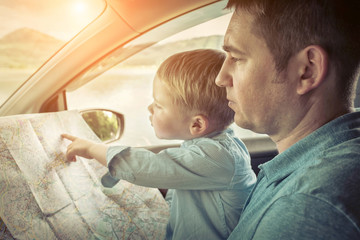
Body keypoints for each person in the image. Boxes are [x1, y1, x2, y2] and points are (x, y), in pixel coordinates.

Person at [62, 49, 257, 240]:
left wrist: (91, 148)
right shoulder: (206, 148)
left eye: (159, 105)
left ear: (196, 124)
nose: (149, 108)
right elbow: (179, 189)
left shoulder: (217, 155)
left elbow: (151, 166)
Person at [215, 0, 360, 239]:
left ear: (307, 70)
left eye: (237, 58)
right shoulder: (319, 164)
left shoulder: (307, 208)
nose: (221, 78)